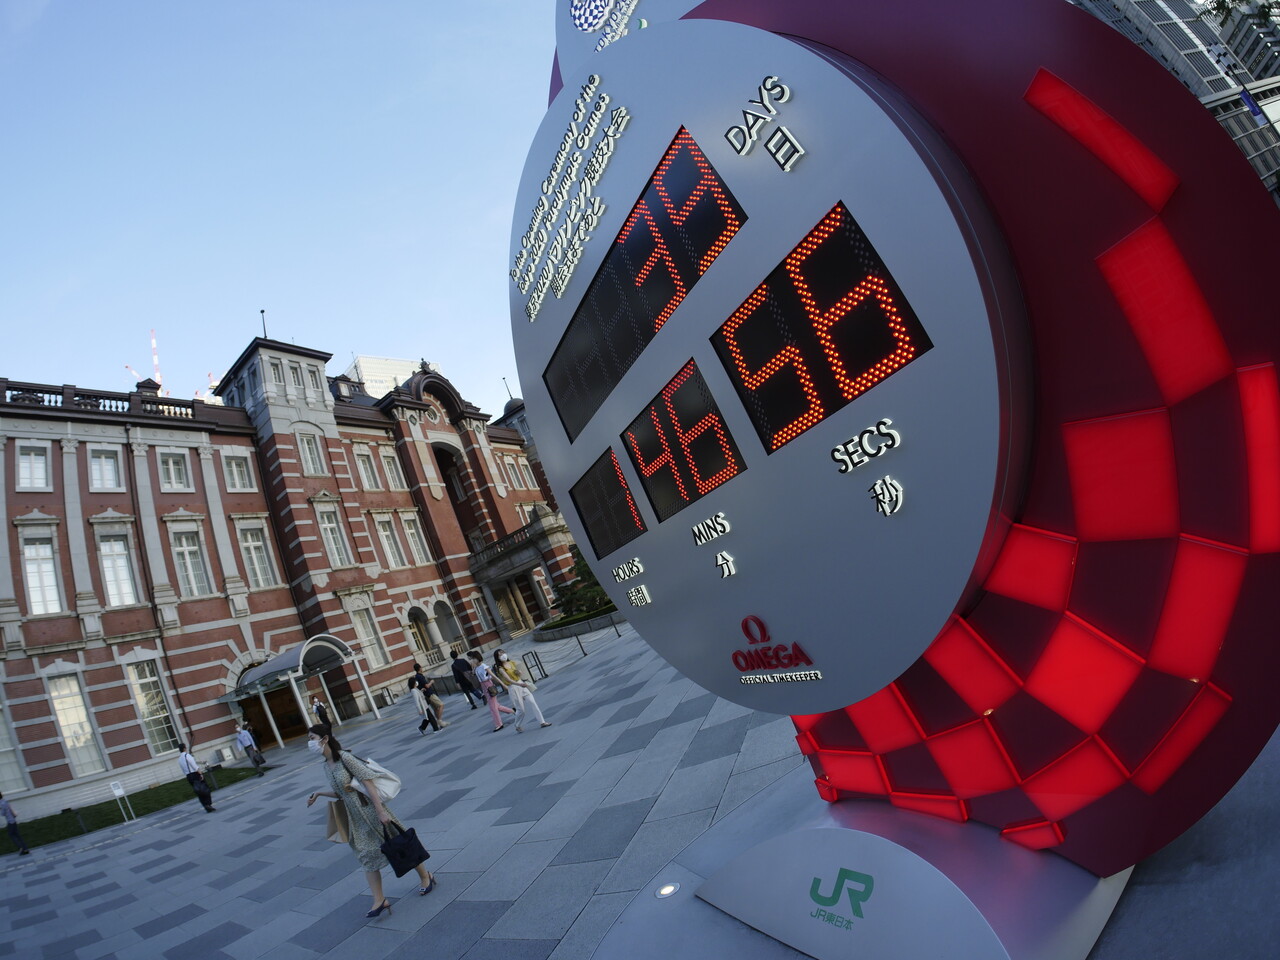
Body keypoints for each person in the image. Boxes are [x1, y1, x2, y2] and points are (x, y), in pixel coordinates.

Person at [304, 724, 435, 917]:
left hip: (371, 810)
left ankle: (426, 876)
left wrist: (380, 811)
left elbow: (367, 781)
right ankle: (379, 900)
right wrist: (319, 794)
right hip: (355, 818)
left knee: (399, 844)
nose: (310, 743)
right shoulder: (326, 766)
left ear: (324, 739)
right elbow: (342, 793)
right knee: (366, 855)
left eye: (312, 738)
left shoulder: (345, 757)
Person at [493, 648, 552, 733]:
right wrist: (519, 684)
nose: (503, 655)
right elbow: (508, 680)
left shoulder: (511, 663)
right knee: (521, 711)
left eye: (503, 653)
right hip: (513, 687)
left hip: (520, 683)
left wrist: (519, 673)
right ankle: (517, 725)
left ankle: (542, 722)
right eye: (500, 655)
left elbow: (517, 674)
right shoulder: (500, 669)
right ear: (497, 658)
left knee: (533, 702)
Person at [468, 650, 515, 731]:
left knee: (493, 707)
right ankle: (512, 711)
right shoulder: (476, 668)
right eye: (472, 659)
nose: (473, 660)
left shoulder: (484, 666)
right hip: (483, 686)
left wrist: (503, 684)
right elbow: (473, 674)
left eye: (474, 658)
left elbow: (494, 676)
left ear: (478, 658)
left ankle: (499, 724)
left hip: (488, 685)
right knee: (496, 705)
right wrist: (473, 667)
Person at [178, 743, 215, 812]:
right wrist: (200, 773)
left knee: (198, 791)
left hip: (188, 776)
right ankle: (208, 804)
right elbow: (193, 765)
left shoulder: (179, 759)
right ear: (184, 748)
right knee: (205, 788)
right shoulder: (187, 755)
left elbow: (183, 769)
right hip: (195, 774)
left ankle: (205, 805)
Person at [411, 663, 448, 729]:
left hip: (425, 695)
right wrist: (431, 682)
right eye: (421, 667)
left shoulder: (416, 677)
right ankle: (439, 721)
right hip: (429, 694)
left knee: (436, 708)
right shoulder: (420, 677)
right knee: (441, 705)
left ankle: (438, 723)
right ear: (419, 668)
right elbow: (427, 686)